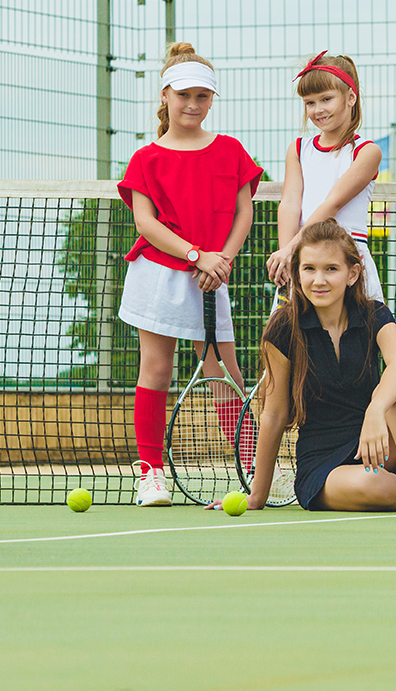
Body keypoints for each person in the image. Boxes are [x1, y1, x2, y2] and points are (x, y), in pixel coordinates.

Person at [245, 220, 396, 513]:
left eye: (331, 269)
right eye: (309, 269)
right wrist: (257, 495)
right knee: (369, 485)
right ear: (297, 273)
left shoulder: (374, 314)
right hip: (324, 464)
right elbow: (274, 414)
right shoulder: (282, 328)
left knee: (395, 395)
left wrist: (375, 409)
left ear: (352, 273)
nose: (319, 280)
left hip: (380, 446)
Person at [117, 42, 263, 507]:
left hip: (212, 276)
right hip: (158, 275)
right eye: (184, 95)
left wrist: (221, 262)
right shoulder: (146, 158)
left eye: (203, 96)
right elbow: (146, 223)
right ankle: (150, 475)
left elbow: (245, 213)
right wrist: (197, 255)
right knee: (156, 370)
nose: (193, 104)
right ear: (164, 96)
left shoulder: (230, 151)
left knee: (227, 372)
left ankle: (255, 470)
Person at [266, 51, 383, 301]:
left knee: (358, 337)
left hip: (345, 262)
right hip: (306, 262)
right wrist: (288, 255)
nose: (318, 110)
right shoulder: (297, 148)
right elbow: (289, 204)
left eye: (326, 99)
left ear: (351, 97)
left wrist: (293, 248)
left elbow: (333, 203)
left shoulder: (367, 151)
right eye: (310, 103)